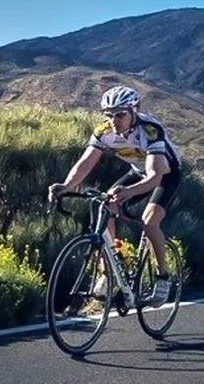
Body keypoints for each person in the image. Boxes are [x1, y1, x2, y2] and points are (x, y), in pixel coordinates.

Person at [48, 85, 182, 301]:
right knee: (106, 204)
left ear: (134, 111)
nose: (114, 121)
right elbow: (85, 163)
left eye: (120, 115)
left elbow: (155, 176)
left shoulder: (150, 130)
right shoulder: (104, 132)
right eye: (109, 115)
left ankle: (163, 277)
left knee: (150, 222)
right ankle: (111, 268)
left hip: (165, 175)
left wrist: (129, 191)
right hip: (139, 172)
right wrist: (65, 186)